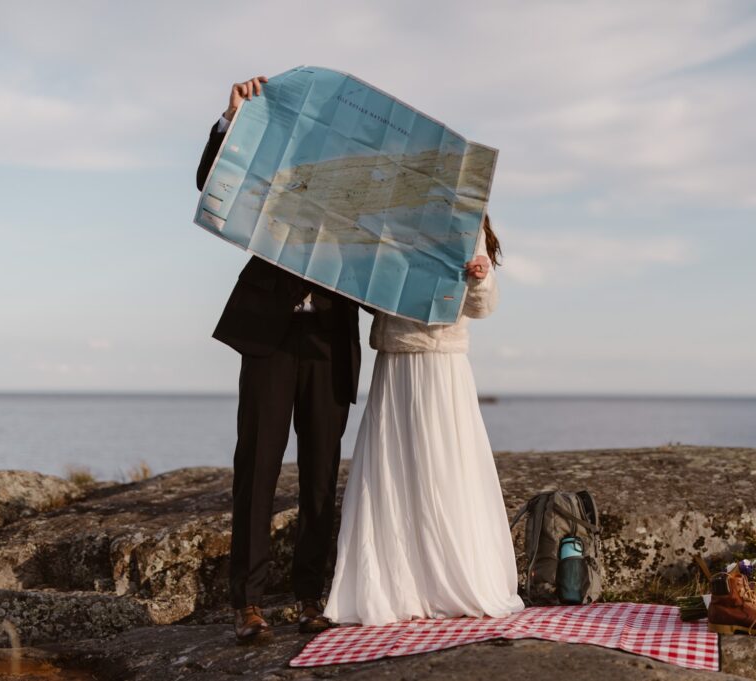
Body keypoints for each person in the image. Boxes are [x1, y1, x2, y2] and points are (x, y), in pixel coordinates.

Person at [195, 76, 362, 645]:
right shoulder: (274, 164)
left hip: (329, 341)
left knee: (320, 477)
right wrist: (232, 120)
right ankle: (249, 604)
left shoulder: (365, 188)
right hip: (270, 335)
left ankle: (310, 596)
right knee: (257, 470)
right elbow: (213, 182)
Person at [323, 214, 525, 625]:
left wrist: (481, 276)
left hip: (442, 360)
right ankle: (398, 587)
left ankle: (451, 578)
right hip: (396, 356)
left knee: (446, 467)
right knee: (394, 469)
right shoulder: (393, 215)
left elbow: (483, 306)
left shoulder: (468, 218)